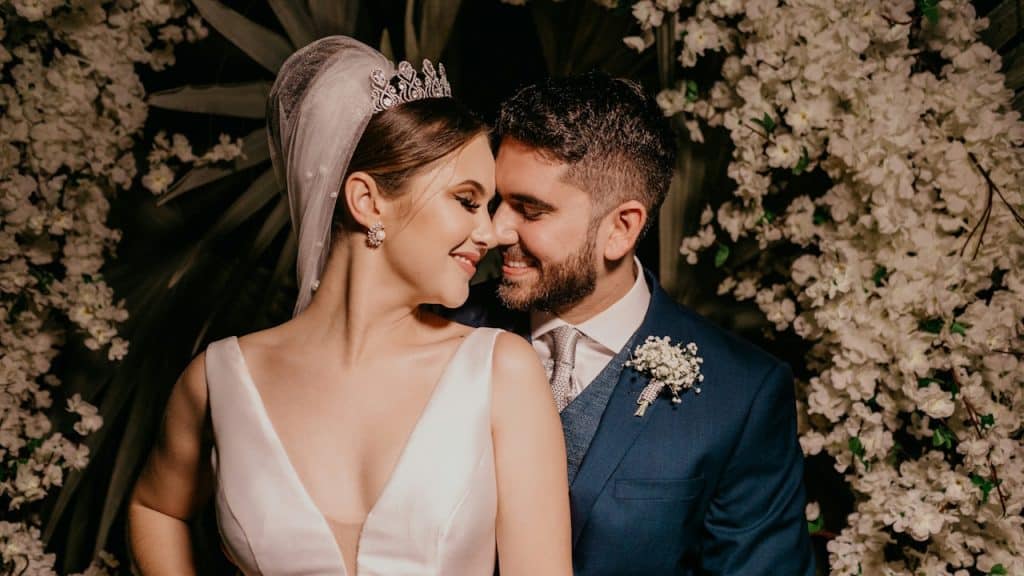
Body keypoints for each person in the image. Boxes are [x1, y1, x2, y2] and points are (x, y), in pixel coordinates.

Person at [128, 36, 572, 576]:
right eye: (467, 200)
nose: (490, 232)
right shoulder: (217, 380)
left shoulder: (500, 372)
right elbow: (154, 507)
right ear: (367, 200)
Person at [451, 72, 815, 575]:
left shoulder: (742, 394)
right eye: (497, 200)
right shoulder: (443, 333)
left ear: (621, 229)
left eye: (529, 211)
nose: (494, 230)